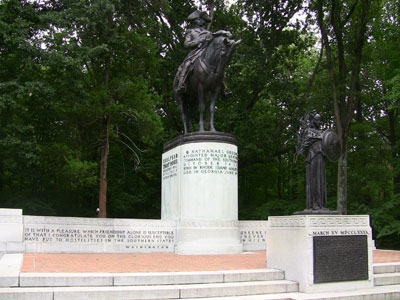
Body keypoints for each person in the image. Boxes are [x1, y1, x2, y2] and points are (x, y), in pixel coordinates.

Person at [176, 10, 213, 93]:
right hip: (195, 53)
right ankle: (181, 83)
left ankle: (224, 87)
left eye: (203, 19)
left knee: (217, 65)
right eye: (199, 19)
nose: (201, 21)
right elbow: (186, 44)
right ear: (195, 21)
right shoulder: (191, 32)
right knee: (187, 64)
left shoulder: (209, 33)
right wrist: (198, 42)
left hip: (207, 53)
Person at [296, 112, 328, 211]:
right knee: (314, 181)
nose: (319, 122)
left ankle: (321, 204)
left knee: (321, 180)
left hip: (321, 157)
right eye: (317, 119)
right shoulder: (309, 131)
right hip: (313, 156)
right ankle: (314, 204)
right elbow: (303, 148)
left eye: (320, 119)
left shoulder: (323, 132)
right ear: (313, 121)